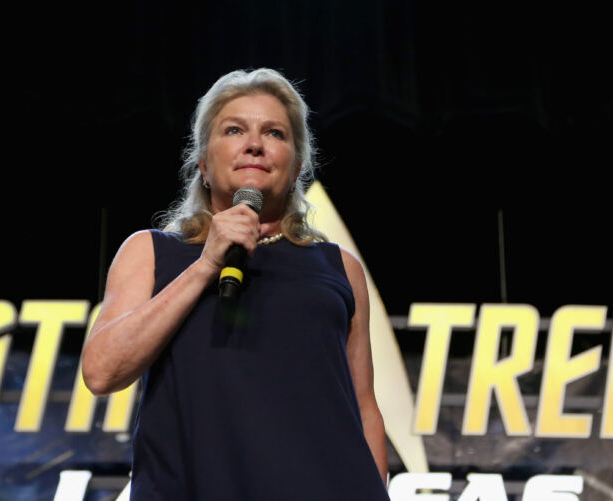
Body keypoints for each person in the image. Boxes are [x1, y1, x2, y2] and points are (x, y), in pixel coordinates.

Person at [81, 68, 390, 500]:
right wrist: (206, 264)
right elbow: (101, 371)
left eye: (275, 133)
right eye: (234, 129)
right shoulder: (151, 252)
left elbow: (363, 408)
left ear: (297, 164)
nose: (255, 144)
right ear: (204, 163)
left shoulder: (339, 268)